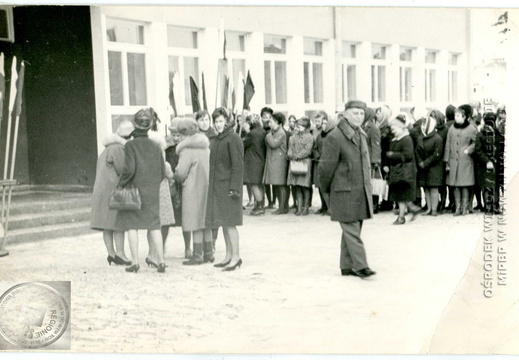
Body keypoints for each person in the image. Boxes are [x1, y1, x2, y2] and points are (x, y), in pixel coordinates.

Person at [319, 100, 376, 279]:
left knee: (353, 229)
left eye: (361, 113)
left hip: (359, 191)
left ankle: (346, 266)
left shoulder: (361, 134)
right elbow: (325, 168)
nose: (359, 117)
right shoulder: (335, 137)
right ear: (345, 114)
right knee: (351, 229)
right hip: (343, 191)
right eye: (355, 113)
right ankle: (362, 265)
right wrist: (327, 190)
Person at [115, 108, 166, 273]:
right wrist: (152, 184)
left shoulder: (130, 145)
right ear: (149, 126)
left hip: (135, 190)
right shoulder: (156, 146)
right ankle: (161, 261)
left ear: (135, 125)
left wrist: (120, 185)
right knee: (154, 226)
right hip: (152, 191)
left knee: (132, 226)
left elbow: (129, 169)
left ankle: (135, 262)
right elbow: (162, 172)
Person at [91, 119, 133, 266]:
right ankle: (120, 254)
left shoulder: (107, 148)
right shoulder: (119, 149)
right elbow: (123, 170)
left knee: (107, 224)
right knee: (118, 223)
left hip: (102, 190)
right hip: (114, 190)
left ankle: (111, 253)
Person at [206, 107, 244, 271]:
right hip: (217, 187)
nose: (218, 124)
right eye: (216, 121)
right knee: (223, 222)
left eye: (221, 121)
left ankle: (236, 257)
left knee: (231, 223)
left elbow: (238, 165)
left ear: (227, 121)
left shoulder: (233, 138)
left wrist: (235, 188)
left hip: (229, 188)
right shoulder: (217, 140)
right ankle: (228, 255)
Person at [173, 117, 212, 265]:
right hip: (206, 187)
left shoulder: (187, 150)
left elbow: (181, 172)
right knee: (205, 220)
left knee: (194, 221)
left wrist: (175, 175)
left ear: (184, 134)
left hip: (192, 188)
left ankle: (197, 255)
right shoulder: (206, 147)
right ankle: (208, 253)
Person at [385, 115, 422, 225]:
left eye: (394, 129)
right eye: (392, 129)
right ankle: (409, 210)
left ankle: (403, 216)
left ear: (401, 128)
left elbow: (408, 155)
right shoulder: (397, 139)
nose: (393, 131)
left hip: (404, 170)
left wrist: (393, 155)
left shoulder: (406, 139)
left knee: (401, 194)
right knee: (401, 194)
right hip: (399, 170)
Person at [165, 117, 192, 259]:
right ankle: (162, 247)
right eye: (173, 135)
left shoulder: (186, 150)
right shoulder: (167, 150)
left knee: (185, 219)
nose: (176, 138)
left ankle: (188, 247)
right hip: (170, 188)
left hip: (183, 187)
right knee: (166, 219)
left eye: (178, 135)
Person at [443, 104, 478, 216]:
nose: (456, 117)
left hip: (466, 161)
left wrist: (469, 149)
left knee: (465, 185)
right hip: (453, 161)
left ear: (464, 117)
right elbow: (448, 144)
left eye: (458, 115)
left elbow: (476, 143)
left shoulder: (471, 129)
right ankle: (457, 207)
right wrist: (446, 160)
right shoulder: (451, 129)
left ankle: (465, 207)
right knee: (455, 186)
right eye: (455, 115)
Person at [473, 112, 504, 214]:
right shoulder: (483, 134)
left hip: (491, 164)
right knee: (489, 186)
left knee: (491, 185)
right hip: (486, 164)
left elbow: (478, 150)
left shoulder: (489, 134)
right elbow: (478, 150)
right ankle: (490, 206)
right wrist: (488, 160)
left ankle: (492, 206)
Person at [415, 113, 444, 216]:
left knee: (433, 188)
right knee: (426, 188)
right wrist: (420, 162)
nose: (423, 127)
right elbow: (417, 151)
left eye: (425, 124)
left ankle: (434, 209)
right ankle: (429, 208)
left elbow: (437, 155)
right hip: (423, 167)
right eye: (422, 125)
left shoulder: (437, 139)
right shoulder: (420, 137)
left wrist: (425, 163)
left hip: (434, 168)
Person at [287, 117, 314, 216]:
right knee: (297, 186)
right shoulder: (293, 137)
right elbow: (290, 148)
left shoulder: (310, 137)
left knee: (305, 187)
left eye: (300, 126)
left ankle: (306, 207)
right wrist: (290, 154)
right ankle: (299, 207)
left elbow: (307, 150)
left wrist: (297, 156)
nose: (297, 127)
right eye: (297, 126)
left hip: (304, 163)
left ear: (306, 127)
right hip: (294, 163)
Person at [263, 112, 289, 214]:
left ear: (277, 122)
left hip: (279, 163)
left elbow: (273, 144)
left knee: (280, 185)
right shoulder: (276, 131)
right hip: (275, 162)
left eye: (271, 121)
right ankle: (282, 206)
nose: (269, 123)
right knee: (278, 185)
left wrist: (268, 134)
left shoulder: (280, 133)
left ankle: (283, 207)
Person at [243, 113, 267, 216]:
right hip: (260, 160)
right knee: (259, 184)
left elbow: (242, 144)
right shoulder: (262, 132)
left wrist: (246, 131)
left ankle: (259, 206)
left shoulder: (251, 134)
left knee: (253, 184)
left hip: (252, 162)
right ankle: (260, 204)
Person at [362, 107, 382, 213]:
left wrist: (376, 161)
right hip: (366, 159)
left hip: (371, 160)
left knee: (373, 183)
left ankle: (374, 204)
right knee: (368, 182)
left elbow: (376, 145)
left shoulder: (373, 128)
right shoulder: (364, 126)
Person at [313, 111, 332, 215]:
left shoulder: (332, 135)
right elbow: (315, 148)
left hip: (328, 164)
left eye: (325, 123)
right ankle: (323, 206)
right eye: (322, 124)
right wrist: (317, 156)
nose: (323, 126)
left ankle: (330, 207)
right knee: (320, 186)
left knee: (327, 187)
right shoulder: (319, 136)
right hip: (319, 163)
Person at [261, 107, 276, 209]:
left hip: (272, 157)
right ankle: (268, 200)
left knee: (274, 181)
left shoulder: (273, 130)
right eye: (264, 117)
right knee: (265, 181)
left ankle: (274, 201)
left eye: (268, 117)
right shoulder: (260, 129)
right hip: (262, 157)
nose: (266, 119)